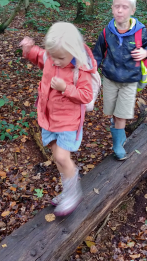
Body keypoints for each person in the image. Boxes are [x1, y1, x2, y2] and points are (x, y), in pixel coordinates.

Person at [19, 22, 97, 216]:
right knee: (56, 157)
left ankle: (73, 193)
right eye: (52, 55)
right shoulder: (51, 57)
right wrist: (29, 50)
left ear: (74, 51)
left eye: (60, 58)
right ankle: (67, 190)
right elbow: (40, 56)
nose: (55, 61)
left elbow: (86, 96)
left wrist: (65, 88)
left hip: (68, 120)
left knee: (63, 157)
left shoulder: (81, 69)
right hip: (49, 116)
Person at [93, 0, 147, 160]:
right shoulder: (107, 32)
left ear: (132, 10)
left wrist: (145, 52)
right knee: (112, 111)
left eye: (125, 7)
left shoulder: (139, 31)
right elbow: (97, 54)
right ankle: (117, 129)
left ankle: (118, 146)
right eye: (117, 7)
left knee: (121, 114)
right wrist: (90, 69)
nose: (120, 10)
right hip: (110, 79)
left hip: (130, 80)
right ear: (112, 8)